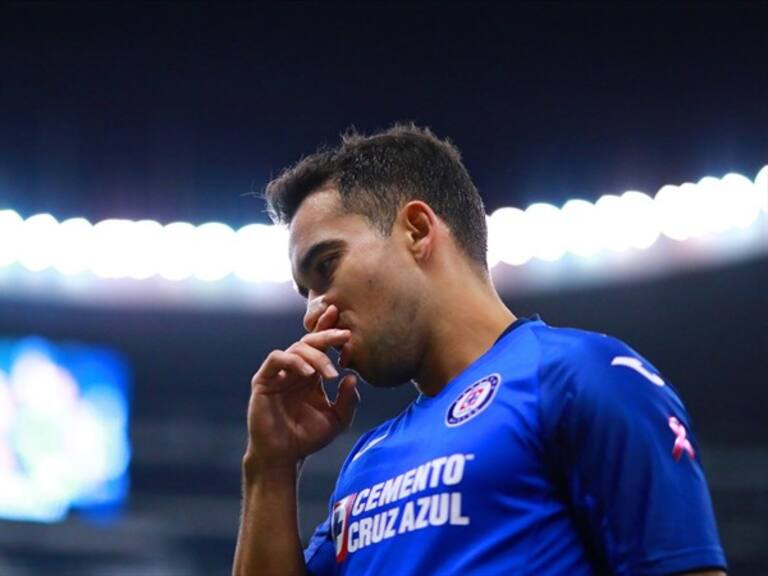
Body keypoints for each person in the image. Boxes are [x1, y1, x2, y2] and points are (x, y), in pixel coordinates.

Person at [232, 125, 727, 576]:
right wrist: (269, 468)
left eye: (326, 267)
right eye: (306, 292)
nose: (313, 313)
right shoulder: (365, 461)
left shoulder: (582, 376)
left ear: (418, 230)